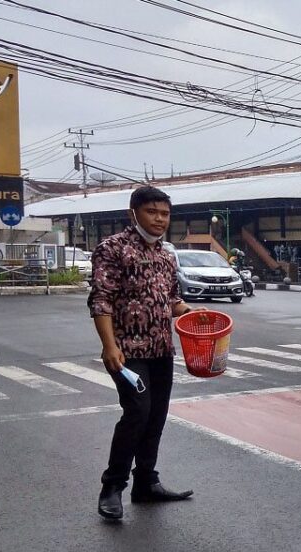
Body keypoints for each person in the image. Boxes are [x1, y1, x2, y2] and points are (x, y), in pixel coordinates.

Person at [89, 185, 196, 521]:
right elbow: (101, 300)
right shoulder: (112, 249)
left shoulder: (166, 255)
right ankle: (112, 486)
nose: (159, 219)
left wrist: (187, 310)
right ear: (132, 213)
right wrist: (109, 346)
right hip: (126, 352)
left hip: (161, 348)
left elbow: (170, 298)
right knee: (137, 411)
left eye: (165, 213)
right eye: (152, 212)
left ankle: (146, 483)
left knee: (156, 415)